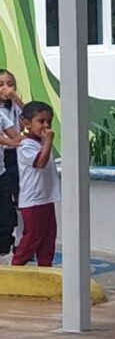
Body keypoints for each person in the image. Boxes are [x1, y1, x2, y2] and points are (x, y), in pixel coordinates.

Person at [11, 102, 59, 267]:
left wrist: (46, 142)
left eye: (49, 121)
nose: (46, 125)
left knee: (48, 236)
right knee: (32, 237)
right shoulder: (26, 145)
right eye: (41, 121)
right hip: (33, 201)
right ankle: (17, 266)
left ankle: (46, 266)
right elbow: (40, 163)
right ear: (27, 124)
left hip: (46, 199)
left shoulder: (41, 143)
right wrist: (49, 142)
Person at [0, 69, 22, 257]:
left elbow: (28, 119)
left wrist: (15, 97)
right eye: (1, 84)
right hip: (5, 156)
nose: (6, 88)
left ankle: (15, 243)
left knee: (15, 203)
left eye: (10, 83)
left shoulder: (11, 108)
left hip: (12, 159)